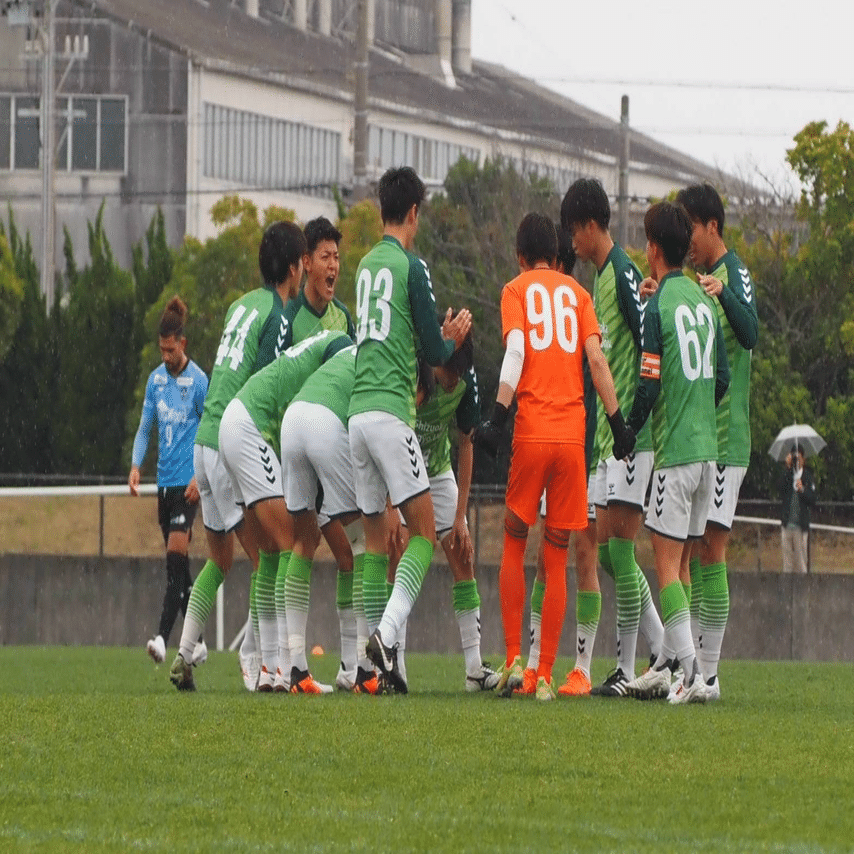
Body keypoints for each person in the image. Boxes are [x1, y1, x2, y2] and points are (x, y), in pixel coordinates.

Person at [473, 212, 634, 701]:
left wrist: (497, 417)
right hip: (572, 439)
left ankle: (514, 661)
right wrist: (618, 422)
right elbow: (597, 359)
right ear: (556, 253)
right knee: (558, 553)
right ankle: (545, 674)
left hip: (532, 430)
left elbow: (516, 352)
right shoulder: (580, 295)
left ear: (521, 255)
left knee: (514, 540)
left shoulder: (516, 289)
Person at [348, 165, 472, 695]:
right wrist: (452, 337)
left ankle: (372, 669)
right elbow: (435, 351)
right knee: (424, 532)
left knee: (376, 542)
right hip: (389, 412)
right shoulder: (410, 265)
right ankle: (387, 631)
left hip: (356, 415)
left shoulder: (363, 265)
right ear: (414, 213)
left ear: (383, 210)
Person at [169, 220, 305, 692]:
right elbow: (265, 386)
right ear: (295, 267)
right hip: (233, 438)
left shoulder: (240, 304)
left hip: (204, 440)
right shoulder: (279, 315)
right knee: (272, 553)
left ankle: (184, 654)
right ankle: (267, 667)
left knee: (221, 560)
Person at [622, 201, 730, 705]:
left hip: (676, 456)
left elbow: (647, 385)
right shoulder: (704, 301)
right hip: (709, 454)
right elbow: (722, 377)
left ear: (653, 248)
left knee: (664, 565)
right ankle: (670, 667)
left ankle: (694, 674)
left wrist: (628, 431)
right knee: (682, 563)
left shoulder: (657, 306)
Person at [561, 178, 664, 698]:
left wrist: (632, 421)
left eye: (573, 232)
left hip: (629, 436)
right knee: (607, 555)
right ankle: (662, 649)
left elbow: (649, 346)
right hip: (608, 438)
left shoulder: (622, 272)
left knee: (620, 552)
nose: (571, 243)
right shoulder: (601, 277)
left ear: (588, 225)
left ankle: (632, 666)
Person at [218, 328, 352, 692]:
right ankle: (289, 670)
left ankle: (268, 668)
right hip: (251, 427)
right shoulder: (342, 349)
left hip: (234, 420)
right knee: (292, 542)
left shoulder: (316, 343)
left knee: (269, 553)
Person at [675, 182, 758, 700]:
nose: (687, 239)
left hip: (728, 440)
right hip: (703, 439)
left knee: (712, 548)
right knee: (696, 548)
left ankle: (708, 673)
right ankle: (696, 672)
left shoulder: (734, 274)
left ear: (711, 226)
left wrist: (722, 293)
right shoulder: (698, 280)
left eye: (691, 227)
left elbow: (750, 333)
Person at [516, 227, 601, 697]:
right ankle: (535, 665)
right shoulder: (562, 302)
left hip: (582, 442)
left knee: (584, 553)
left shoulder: (580, 302)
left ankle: (582, 668)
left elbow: (597, 365)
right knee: (546, 558)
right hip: (558, 436)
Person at [410, 316, 499, 692]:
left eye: (457, 377)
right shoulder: (415, 367)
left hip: (437, 469)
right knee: (397, 555)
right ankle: (391, 665)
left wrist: (461, 516)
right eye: (447, 375)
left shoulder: (466, 383)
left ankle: (474, 669)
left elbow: (466, 444)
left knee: (463, 556)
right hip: (400, 469)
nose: (451, 383)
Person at [129, 296, 208, 666]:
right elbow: (145, 428)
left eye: (170, 350)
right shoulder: (156, 381)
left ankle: (162, 638)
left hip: (186, 488)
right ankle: (200, 642)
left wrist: (200, 476)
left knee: (174, 563)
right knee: (179, 571)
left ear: (183, 343)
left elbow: (210, 432)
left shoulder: (199, 382)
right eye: (161, 349)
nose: (165, 356)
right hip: (163, 486)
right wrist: (135, 465)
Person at [280, 216, 355, 347]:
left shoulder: (342, 315)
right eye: (325, 257)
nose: (333, 265)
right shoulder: (287, 316)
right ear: (307, 262)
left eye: (336, 257)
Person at [780, 447, 816, 573]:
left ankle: (803, 585)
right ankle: (787, 585)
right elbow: (780, 488)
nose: (797, 461)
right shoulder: (788, 475)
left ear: (803, 459)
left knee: (801, 563)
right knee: (787, 563)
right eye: (794, 458)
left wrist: (803, 490)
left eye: (799, 459)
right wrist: (787, 467)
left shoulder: (807, 476)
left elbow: (813, 499)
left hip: (800, 526)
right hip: (787, 525)